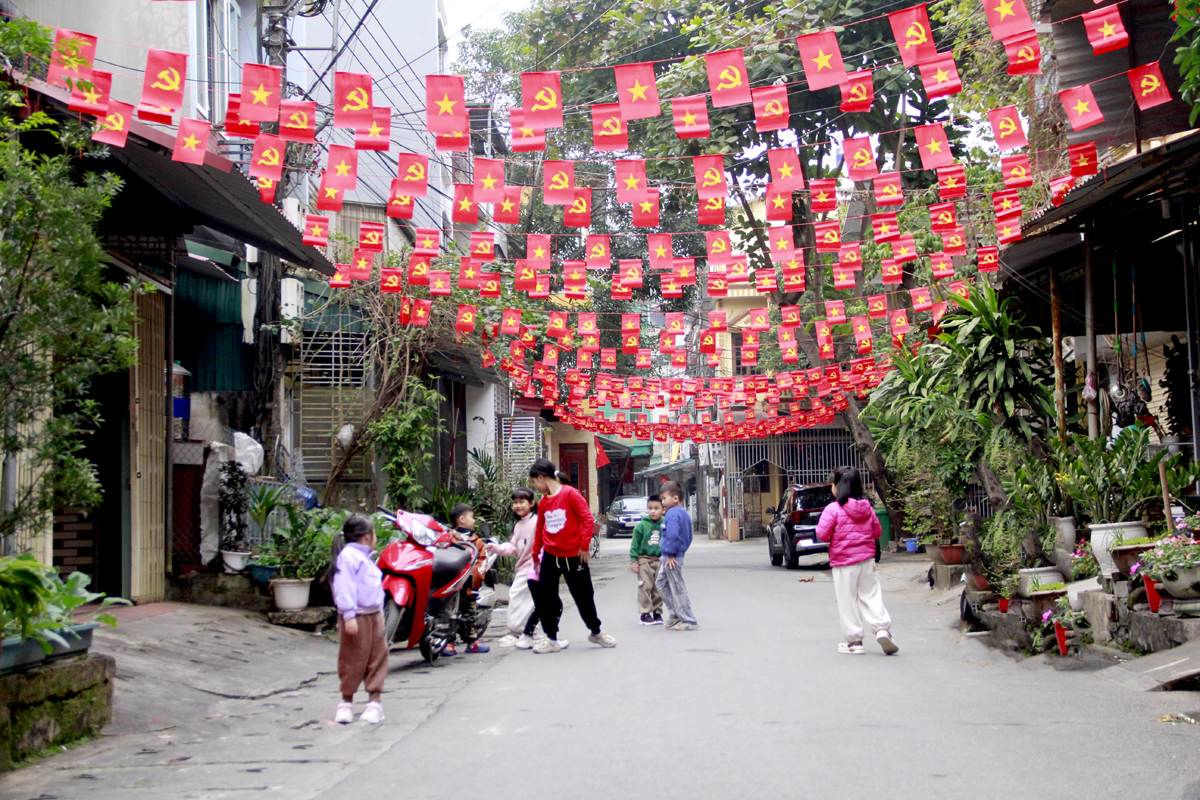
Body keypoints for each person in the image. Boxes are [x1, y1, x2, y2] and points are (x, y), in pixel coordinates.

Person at [527, 458, 617, 653]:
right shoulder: (543, 502)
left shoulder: (571, 494)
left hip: (574, 555)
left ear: (541, 477)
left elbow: (586, 519)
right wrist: (536, 556)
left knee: (584, 597)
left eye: (534, 481)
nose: (534, 485)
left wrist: (584, 546)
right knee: (546, 598)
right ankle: (551, 639)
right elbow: (540, 529)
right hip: (551, 555)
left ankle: (596, 632)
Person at [815, 466, 899, 656]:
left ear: (838, 487)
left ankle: (854, 642)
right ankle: (882, 629)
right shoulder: (867, 507)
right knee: (871, 595)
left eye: (832, 484)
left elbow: (822, 534)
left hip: (844, 562)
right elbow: (877, 532)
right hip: (867, 561)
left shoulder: (833, 509)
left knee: (848, 600)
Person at [328, 514, 387, 724]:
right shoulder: (348, 556)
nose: (376, 538)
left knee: (377, 658)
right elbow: (344, 586)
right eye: (374, 534)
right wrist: (349, 615)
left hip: (373, 616)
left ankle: (374, 703)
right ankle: (346, 703)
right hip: (357, 617)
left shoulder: (365, 558)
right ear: (365, 536)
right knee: (352, 658)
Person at [488, 488, 541, 647]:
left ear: (531, 503)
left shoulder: (537, 522)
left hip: (533, 568)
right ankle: (528, 632)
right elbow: (513, 548)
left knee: (518, 597)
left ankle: (516, 632)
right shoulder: (518, 525)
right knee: (524, 599)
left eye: (522, 502)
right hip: (524, 568)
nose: (517, 505)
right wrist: (495, 548)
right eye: (515, 502)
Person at [445, 502, 490, 656]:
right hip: (452, 585)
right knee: (450, 614)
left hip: (469, 585)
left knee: (470, 613)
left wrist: (475, 576)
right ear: (462, 519)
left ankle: (472, 641)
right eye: (472, 517)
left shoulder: (476, 540)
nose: (474, 520)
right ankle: (449, 643)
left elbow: (482, 560)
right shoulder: (449, 538)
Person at [656, 481, 697, 630]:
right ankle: (675, 614)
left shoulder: (673, 514)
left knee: (676, 587)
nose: (662, 502)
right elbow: (689, 536)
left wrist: (671, 554)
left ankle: (688, 619)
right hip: (670, 556)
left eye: (664, 498)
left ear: (675, 499)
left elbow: (673, 536)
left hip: (671, 558)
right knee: (660, 583)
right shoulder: (682, 512)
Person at [629, 495, 665, 625]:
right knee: (645, 587)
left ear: (663, 509)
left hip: (661, 560)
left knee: (658, 588)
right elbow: (634, 545)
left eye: (656, 508)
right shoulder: (641, 526)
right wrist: (634, 562)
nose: (653, 511)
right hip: (644, 561)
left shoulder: (665, 524)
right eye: (650, 508)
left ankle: (657, 612)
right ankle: (645, 613)